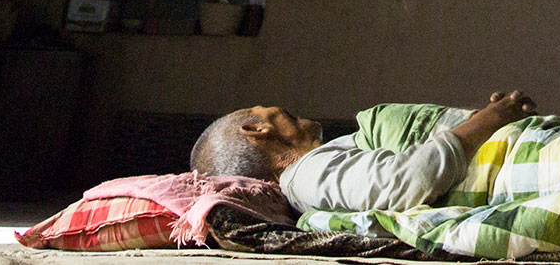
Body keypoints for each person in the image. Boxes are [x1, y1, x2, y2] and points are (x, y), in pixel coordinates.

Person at [192, 90, 539, 213]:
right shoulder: (305, 176)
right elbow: (410, 178)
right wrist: (489, 121)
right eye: (260, 108)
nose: (274, 106)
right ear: (256, 130)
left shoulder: (321, 161)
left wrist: (480, 120)